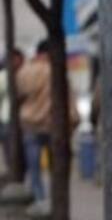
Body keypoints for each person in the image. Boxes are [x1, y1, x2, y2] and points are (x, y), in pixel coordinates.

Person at [16, 40, 78, 203]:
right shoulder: (57, 71)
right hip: (53, 124)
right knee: (56, 168)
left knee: (34, 168)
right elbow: (69, 99)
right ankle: (55, 201)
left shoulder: (24, 72)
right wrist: (74, 121)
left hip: (30, 124)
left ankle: (40, 199)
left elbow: (18, 97)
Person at [0, 50, 23, 181]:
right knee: (11, 153)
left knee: (13, 153)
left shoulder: (22, 74)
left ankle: (15, 177)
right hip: (8, 119)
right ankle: (14, 178)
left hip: (16, 119)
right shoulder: (4, 77)